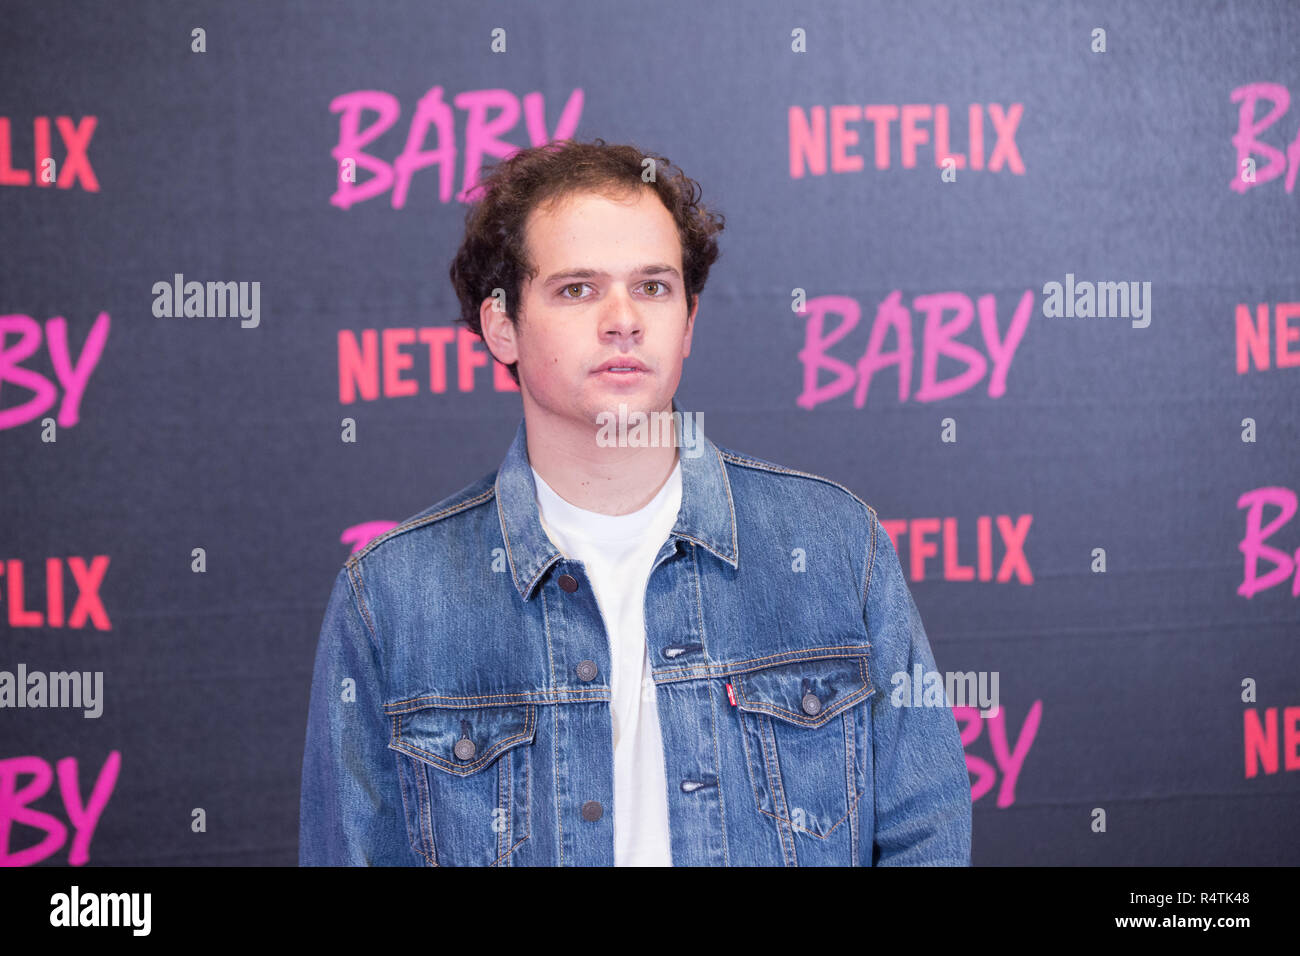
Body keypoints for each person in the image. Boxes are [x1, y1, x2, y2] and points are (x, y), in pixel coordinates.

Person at [299, 138, 971, 866]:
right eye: (577, 289)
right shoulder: (392, 598)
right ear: (501, 326)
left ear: (689, 320)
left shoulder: (839, 546)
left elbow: (923, 834)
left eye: (652, 286)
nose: (623, 319)